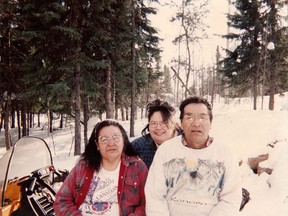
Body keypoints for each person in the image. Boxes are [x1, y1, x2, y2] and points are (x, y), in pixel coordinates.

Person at [145, 96, 242, 216]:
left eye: (202, 117)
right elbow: (154, 195)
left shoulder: (225, 153)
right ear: (181, 123)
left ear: (211, 123)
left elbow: (230, 198)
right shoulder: (165, 150)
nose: (196, 123)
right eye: (189, 117)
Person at [53, 119, 148, 216]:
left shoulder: (137, 167)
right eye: (104, 139)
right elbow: (61, 201)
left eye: (116, 137)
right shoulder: (83, 166)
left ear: (124, 141)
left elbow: (148, 204)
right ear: (97, 144)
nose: (111, 143)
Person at [131, 99, 181, 169]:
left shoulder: (188, 143)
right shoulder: (137, 147)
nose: (158, 127)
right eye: (153, 123)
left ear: (173, 123)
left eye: (163, 123)